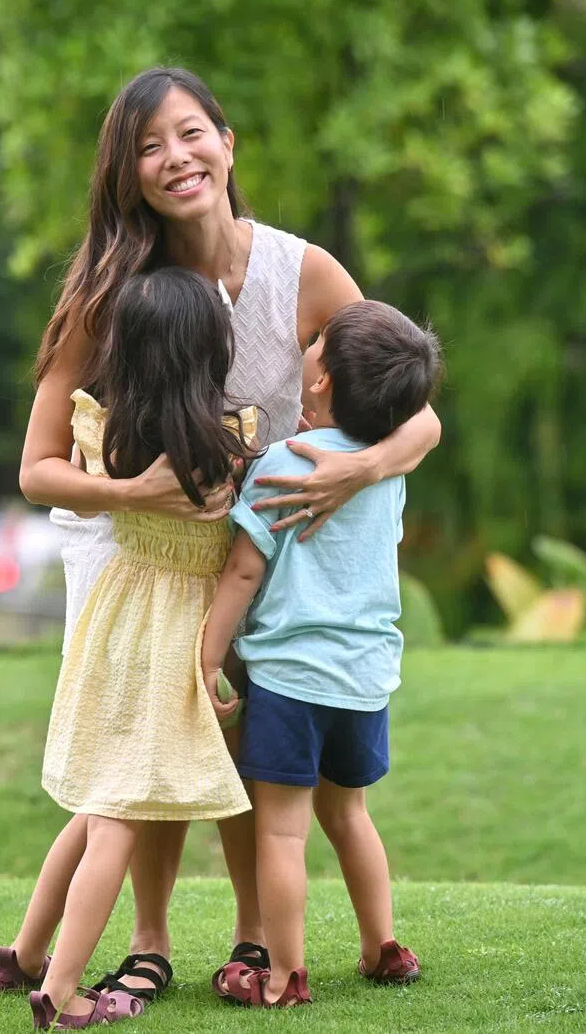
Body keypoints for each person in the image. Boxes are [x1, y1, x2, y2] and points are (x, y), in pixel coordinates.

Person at [19, 65, 442, 1000]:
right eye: (148, 147)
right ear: (126, 175)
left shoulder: (308, 273)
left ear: (228, 141)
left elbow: (414, 413)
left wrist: (356, 468)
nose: (175, 158)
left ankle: (253, 939)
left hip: (265, 533)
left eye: (190, 133)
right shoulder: (114, 292)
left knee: (249, 721)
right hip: (135, 542)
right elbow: (39, 467)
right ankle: (149, 937)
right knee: (160, 732)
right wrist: (138, 495)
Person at [0, 266, 258, 1029]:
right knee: (117, 817)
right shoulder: (228, 443)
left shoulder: (101, 432)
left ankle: (25, 954)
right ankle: (61, 991)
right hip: (173, 636)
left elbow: (52, 471)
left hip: (112, 624)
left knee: (95, 804)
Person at [200, 300, 443, 1008]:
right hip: (364, 681)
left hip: (290, 681)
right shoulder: (385, 472)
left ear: (322, 382)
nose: (304, 350)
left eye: (315, 346)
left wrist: (206, 659)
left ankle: (282, 975)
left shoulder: (282, 462)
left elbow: (243, 572)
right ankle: (382, 948)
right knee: (351, 816)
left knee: (281, 829)